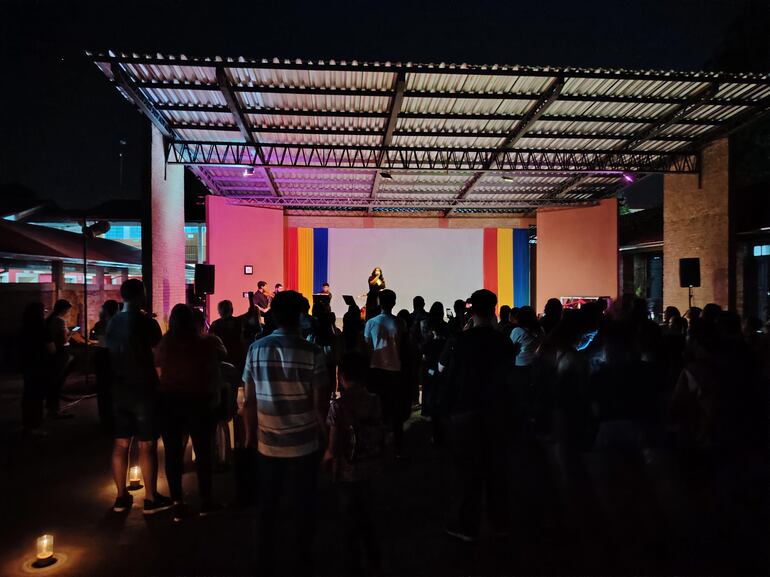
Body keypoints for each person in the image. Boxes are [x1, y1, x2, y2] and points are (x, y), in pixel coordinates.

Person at [242, 290, 329, 577]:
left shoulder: (256, 349)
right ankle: (301, 561)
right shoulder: (313, 353)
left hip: (268, 443)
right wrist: (326, 439)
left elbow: (249, 401)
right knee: (304, 506)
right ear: (301, 316)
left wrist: (249, 437)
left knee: (267, 507)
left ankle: (263, 562)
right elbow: (320, 405)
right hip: (305, 444)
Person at [441, 289, 515, 542]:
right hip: (496, 410)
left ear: (472, 311)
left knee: (468, 470)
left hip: (466, 409)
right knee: (496, 469)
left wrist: (445, 407)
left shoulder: (462, 341)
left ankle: (468, 524)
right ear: (494, 309)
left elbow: (451, 377)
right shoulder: (503, 342)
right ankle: (499, 521)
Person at [105, 279, 172, 515]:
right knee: (147, 444)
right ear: (141, 295)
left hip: (119, 389)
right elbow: (157, 358)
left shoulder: (112, 323)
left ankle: (121, 497)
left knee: (121, 443)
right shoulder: (147, 323)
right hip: (144, 389)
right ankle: (151, 499)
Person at [156, 304, 226, 520]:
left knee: (173, 454)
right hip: (199, 402)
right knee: (203, 453)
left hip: (170, 403)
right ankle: (206, 501)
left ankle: (177, 502)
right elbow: (213, 372)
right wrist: (215, 398)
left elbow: (158, 372)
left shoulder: (164, 343)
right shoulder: (204, 343)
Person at [323, 352, 384, 574]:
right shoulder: (375, 400)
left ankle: (352, 566)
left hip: (347, 472)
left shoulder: (339, 406)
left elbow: (333, 446)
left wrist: (325, 462)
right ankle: (374, 560)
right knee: (369, 519)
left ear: (341, 375)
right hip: (371, 468)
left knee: (349, 523)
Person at [364, 289, 408, 456]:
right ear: (394, 302)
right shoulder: (400, 323)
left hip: (376, 370)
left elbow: (368, 348)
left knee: (377, 409)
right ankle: (398, 445)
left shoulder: (370, 323)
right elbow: (403, 347)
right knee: (395, 410)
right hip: (395, 370)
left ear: (379, 303)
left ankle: (377, 444)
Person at [19, 303, 55, 435]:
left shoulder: (23, 327)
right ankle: (34, 425)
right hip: (40, 365)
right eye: (43, 311)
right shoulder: (41, 328)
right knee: (37, 396)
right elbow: (51, 348)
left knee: (28, 394)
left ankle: (27, 424)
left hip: (27, 365)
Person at [92, 300, 121, 434]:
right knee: (114, 389)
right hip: (112, 356)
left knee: (102, 389)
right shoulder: (118, 323)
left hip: (101, 356)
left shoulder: (99, 324)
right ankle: (114, 420)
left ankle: (105, 419)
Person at [45, 299, 74, 418]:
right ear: (64, 309)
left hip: (52, 353)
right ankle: (54, 410)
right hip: (61, 353)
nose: (68, 312)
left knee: (53, 381)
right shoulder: (59, 321)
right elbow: (63, 341)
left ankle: (52, 408)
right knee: (57, 381)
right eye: (68, 310)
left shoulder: (49, 320)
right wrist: (70, 334)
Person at [209, 300, 247, 373]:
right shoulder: (239, 322)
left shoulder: (215, 324)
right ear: (231, 310)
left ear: (219, 311)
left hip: (221, 360)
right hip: (237, 359)